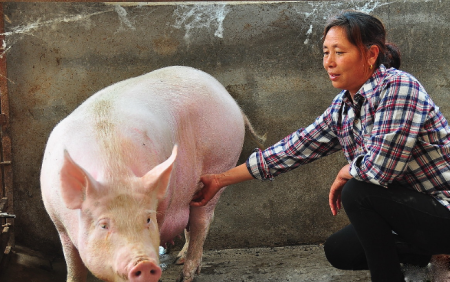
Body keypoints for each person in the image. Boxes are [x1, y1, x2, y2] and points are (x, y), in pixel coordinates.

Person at [190, 10, 450, 282]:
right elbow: (294, 149)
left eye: (339, 52)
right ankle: (432, 258)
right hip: (413, 215)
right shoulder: (344, 107)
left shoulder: (398, 87)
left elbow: (381, 170)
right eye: (325, 52)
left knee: (357, 191)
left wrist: (345, 171)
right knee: (340, 250)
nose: (329, 63)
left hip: (442, 209)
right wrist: (219, 180)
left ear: (371, 55)